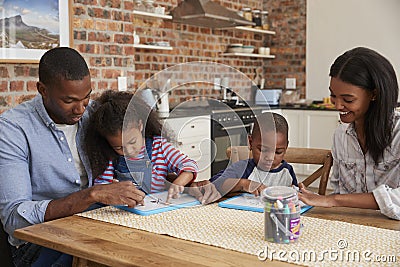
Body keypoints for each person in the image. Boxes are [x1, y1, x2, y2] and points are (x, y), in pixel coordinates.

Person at [0, 47, 145, 266]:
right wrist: (91, 195)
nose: (80, 109)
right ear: (43, 90)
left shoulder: (94, 114)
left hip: (97, 224)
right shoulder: (13, 130)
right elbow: (14, 218)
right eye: (69, 101)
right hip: (39, 242)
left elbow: (141, 150)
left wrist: (180, 175)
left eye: (86, 97)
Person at [298, 47, 400, 220]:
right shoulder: (341, 134)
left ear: (374, 94)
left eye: (348, 99)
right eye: (333, 96)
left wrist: (333, 200)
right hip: (350, 225)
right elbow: (338, 186)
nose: (337, 105)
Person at [85, 90, 199, 203]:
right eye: (119, 148)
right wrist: (111, 190)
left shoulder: (159, 147)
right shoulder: (110, 155)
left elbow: (189, 165)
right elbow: (102, 187)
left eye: (132, 142)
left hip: (157, 207)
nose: (128, 151)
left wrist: (178, 183)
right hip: (126, 212)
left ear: (140, 126)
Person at [210, 112, 298, 196]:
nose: (270, 158)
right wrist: (243, 184)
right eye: (263, 150)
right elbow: (215, 184)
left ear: (286, 147)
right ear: (250, 142)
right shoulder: (242, 168)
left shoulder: (287, 171)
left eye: (278, 152)